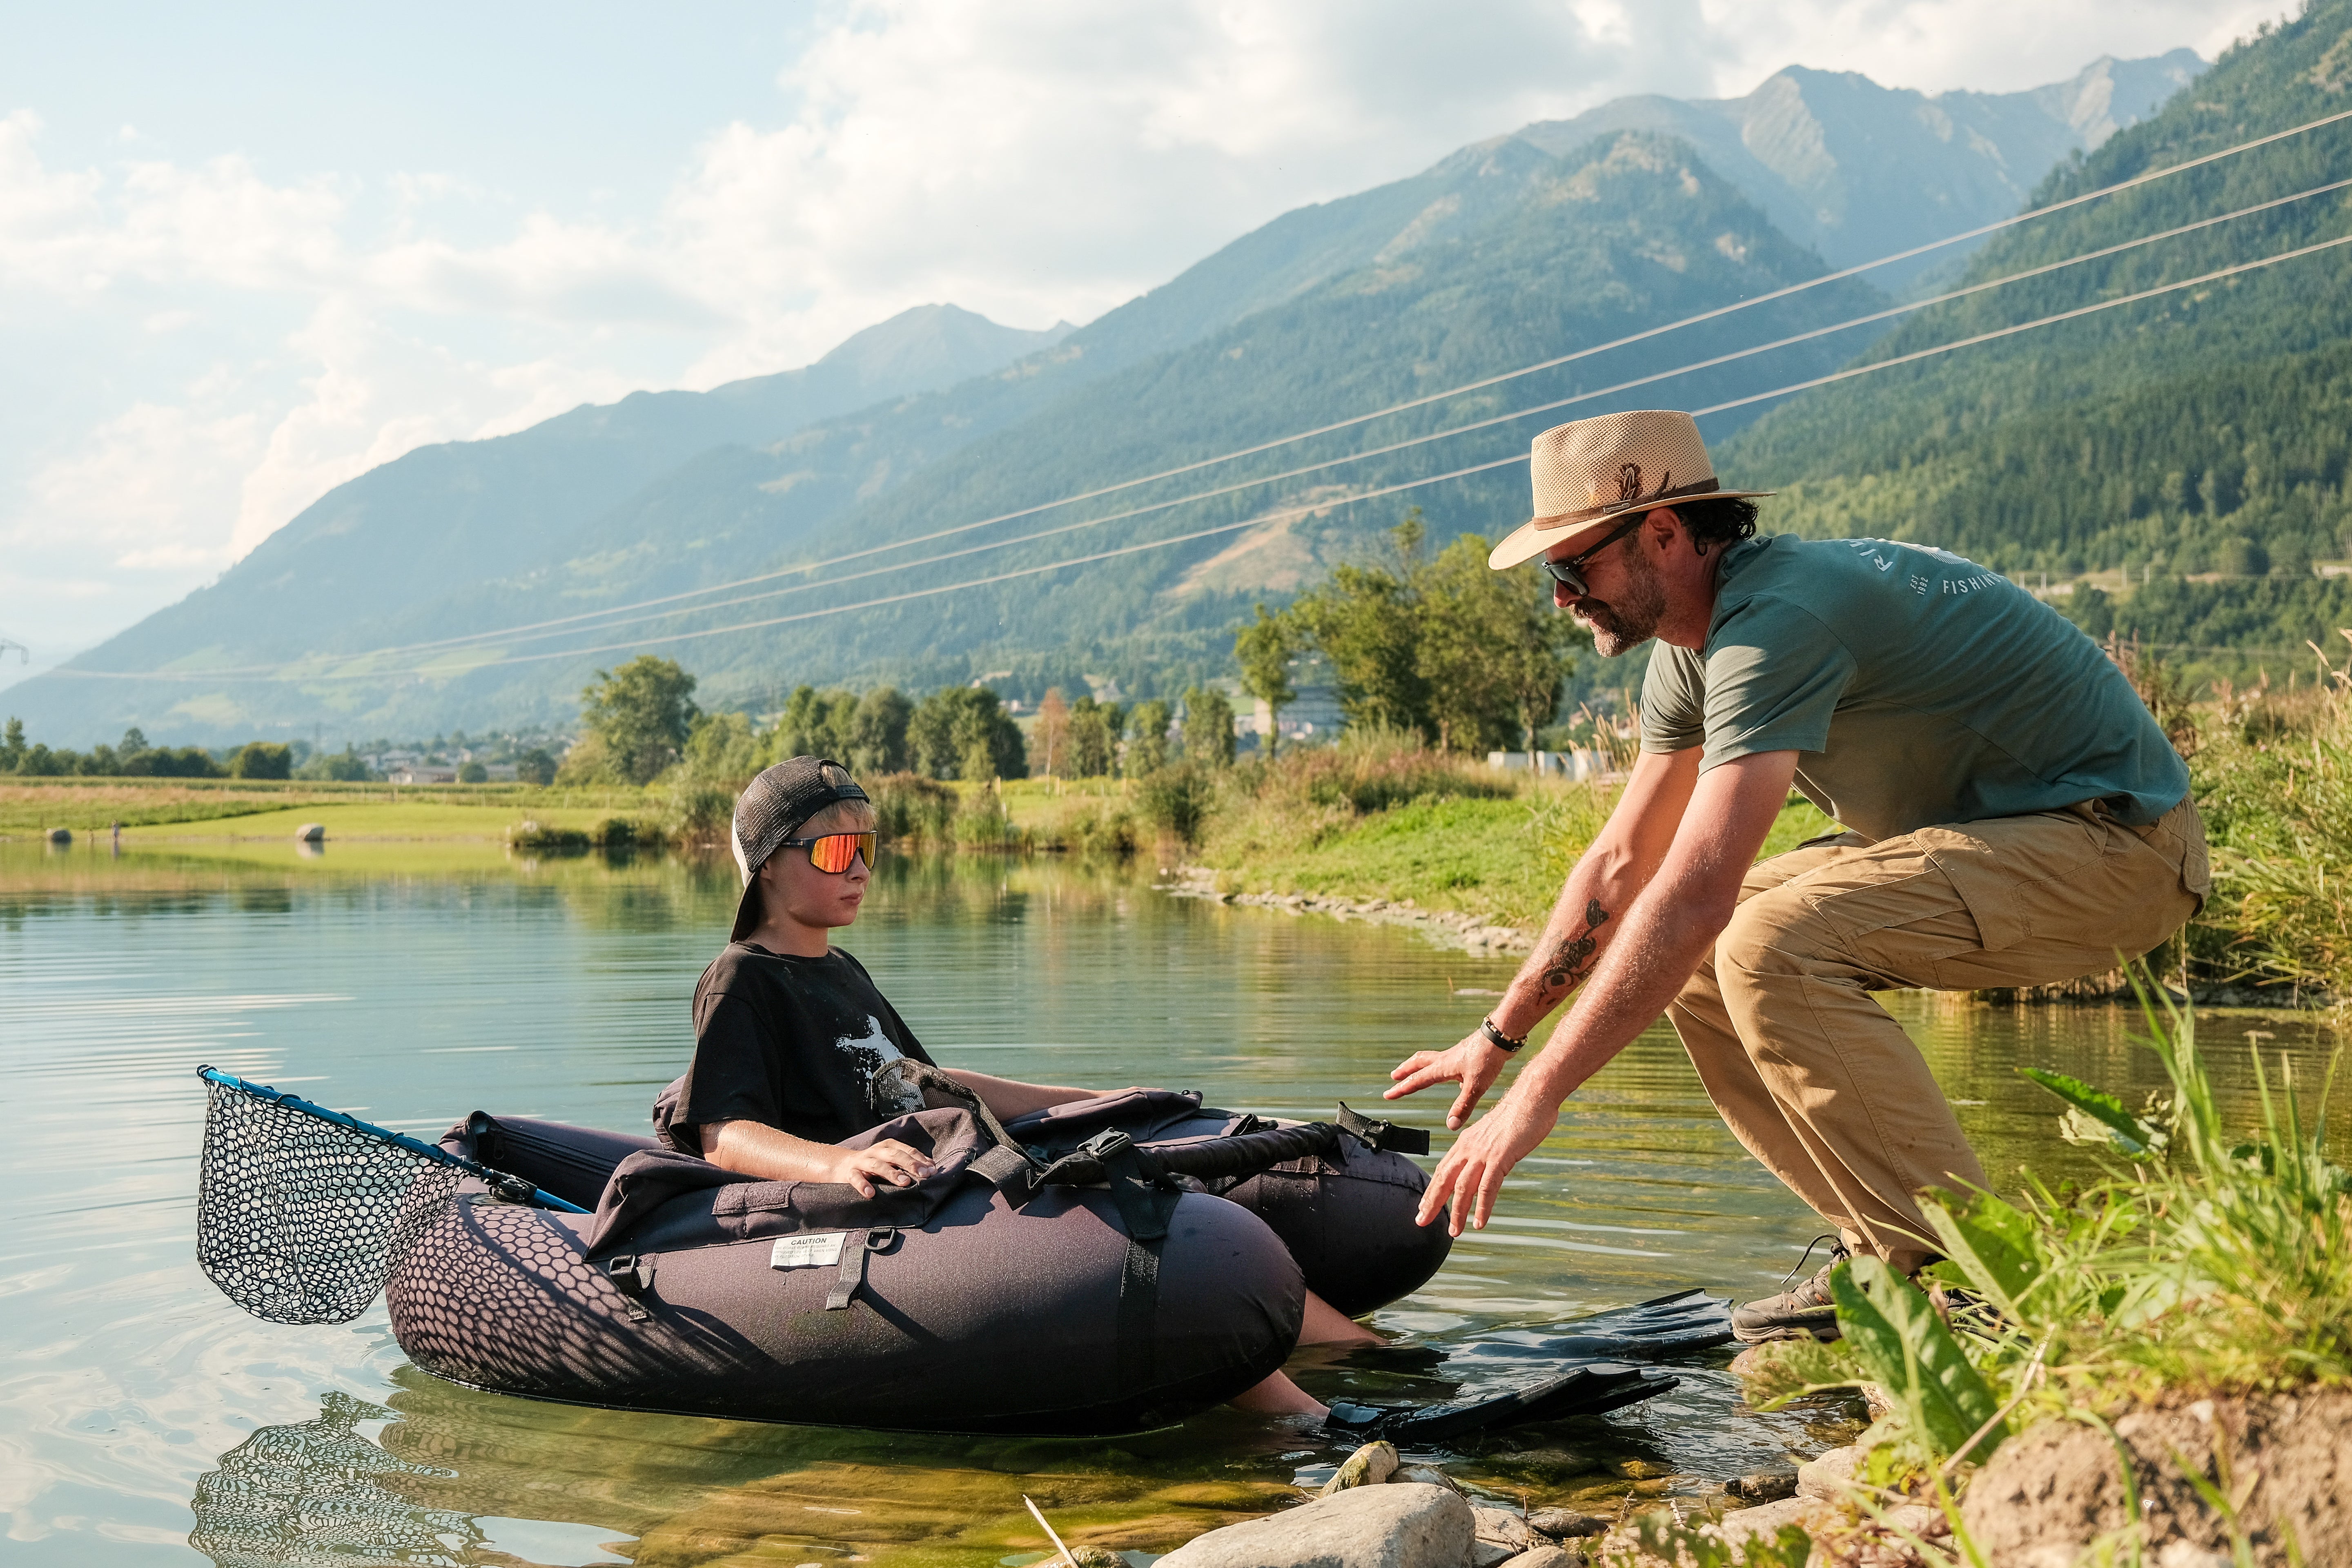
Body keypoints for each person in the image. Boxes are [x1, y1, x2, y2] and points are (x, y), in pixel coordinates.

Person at [1386, 409, 2208, 1343]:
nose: (1565, 596)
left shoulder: (1779, 621)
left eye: (1576, 567)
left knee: (1769, 942)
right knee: (1701, 968)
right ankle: (1883, 1256)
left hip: (2120, 847)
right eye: (1553, 573)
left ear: (1663, 532)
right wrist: (1499, 1038)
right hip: (1995, 838)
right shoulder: (1692, 653)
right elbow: (1622, 864)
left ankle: (1978, 1282)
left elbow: (1695, 893)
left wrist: (1540, 1100)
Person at [662, 756, 1375, 1420]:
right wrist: (837, 1163)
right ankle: (1319, 1424)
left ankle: (1378, 1361)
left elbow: (932, 1091)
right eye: (835, 852)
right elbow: (725, 1136)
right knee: (1121, 1221)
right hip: (854, 1209)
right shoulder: (741, 978)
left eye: (868, 849)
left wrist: (1088, 1101)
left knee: (1137, 1184)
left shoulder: (842, 968)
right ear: (766, 865)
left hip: (931, 1178)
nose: (860, 870)